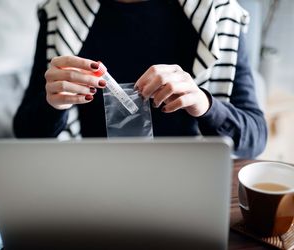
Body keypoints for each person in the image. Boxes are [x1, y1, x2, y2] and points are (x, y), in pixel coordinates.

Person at [14, 0, 267, 158]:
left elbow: (255, 138)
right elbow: (25, 134)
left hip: (189, 181)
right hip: (89, 182)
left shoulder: (218, 14)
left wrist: (204, 104)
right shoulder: (60, 14)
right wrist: (54, 104)